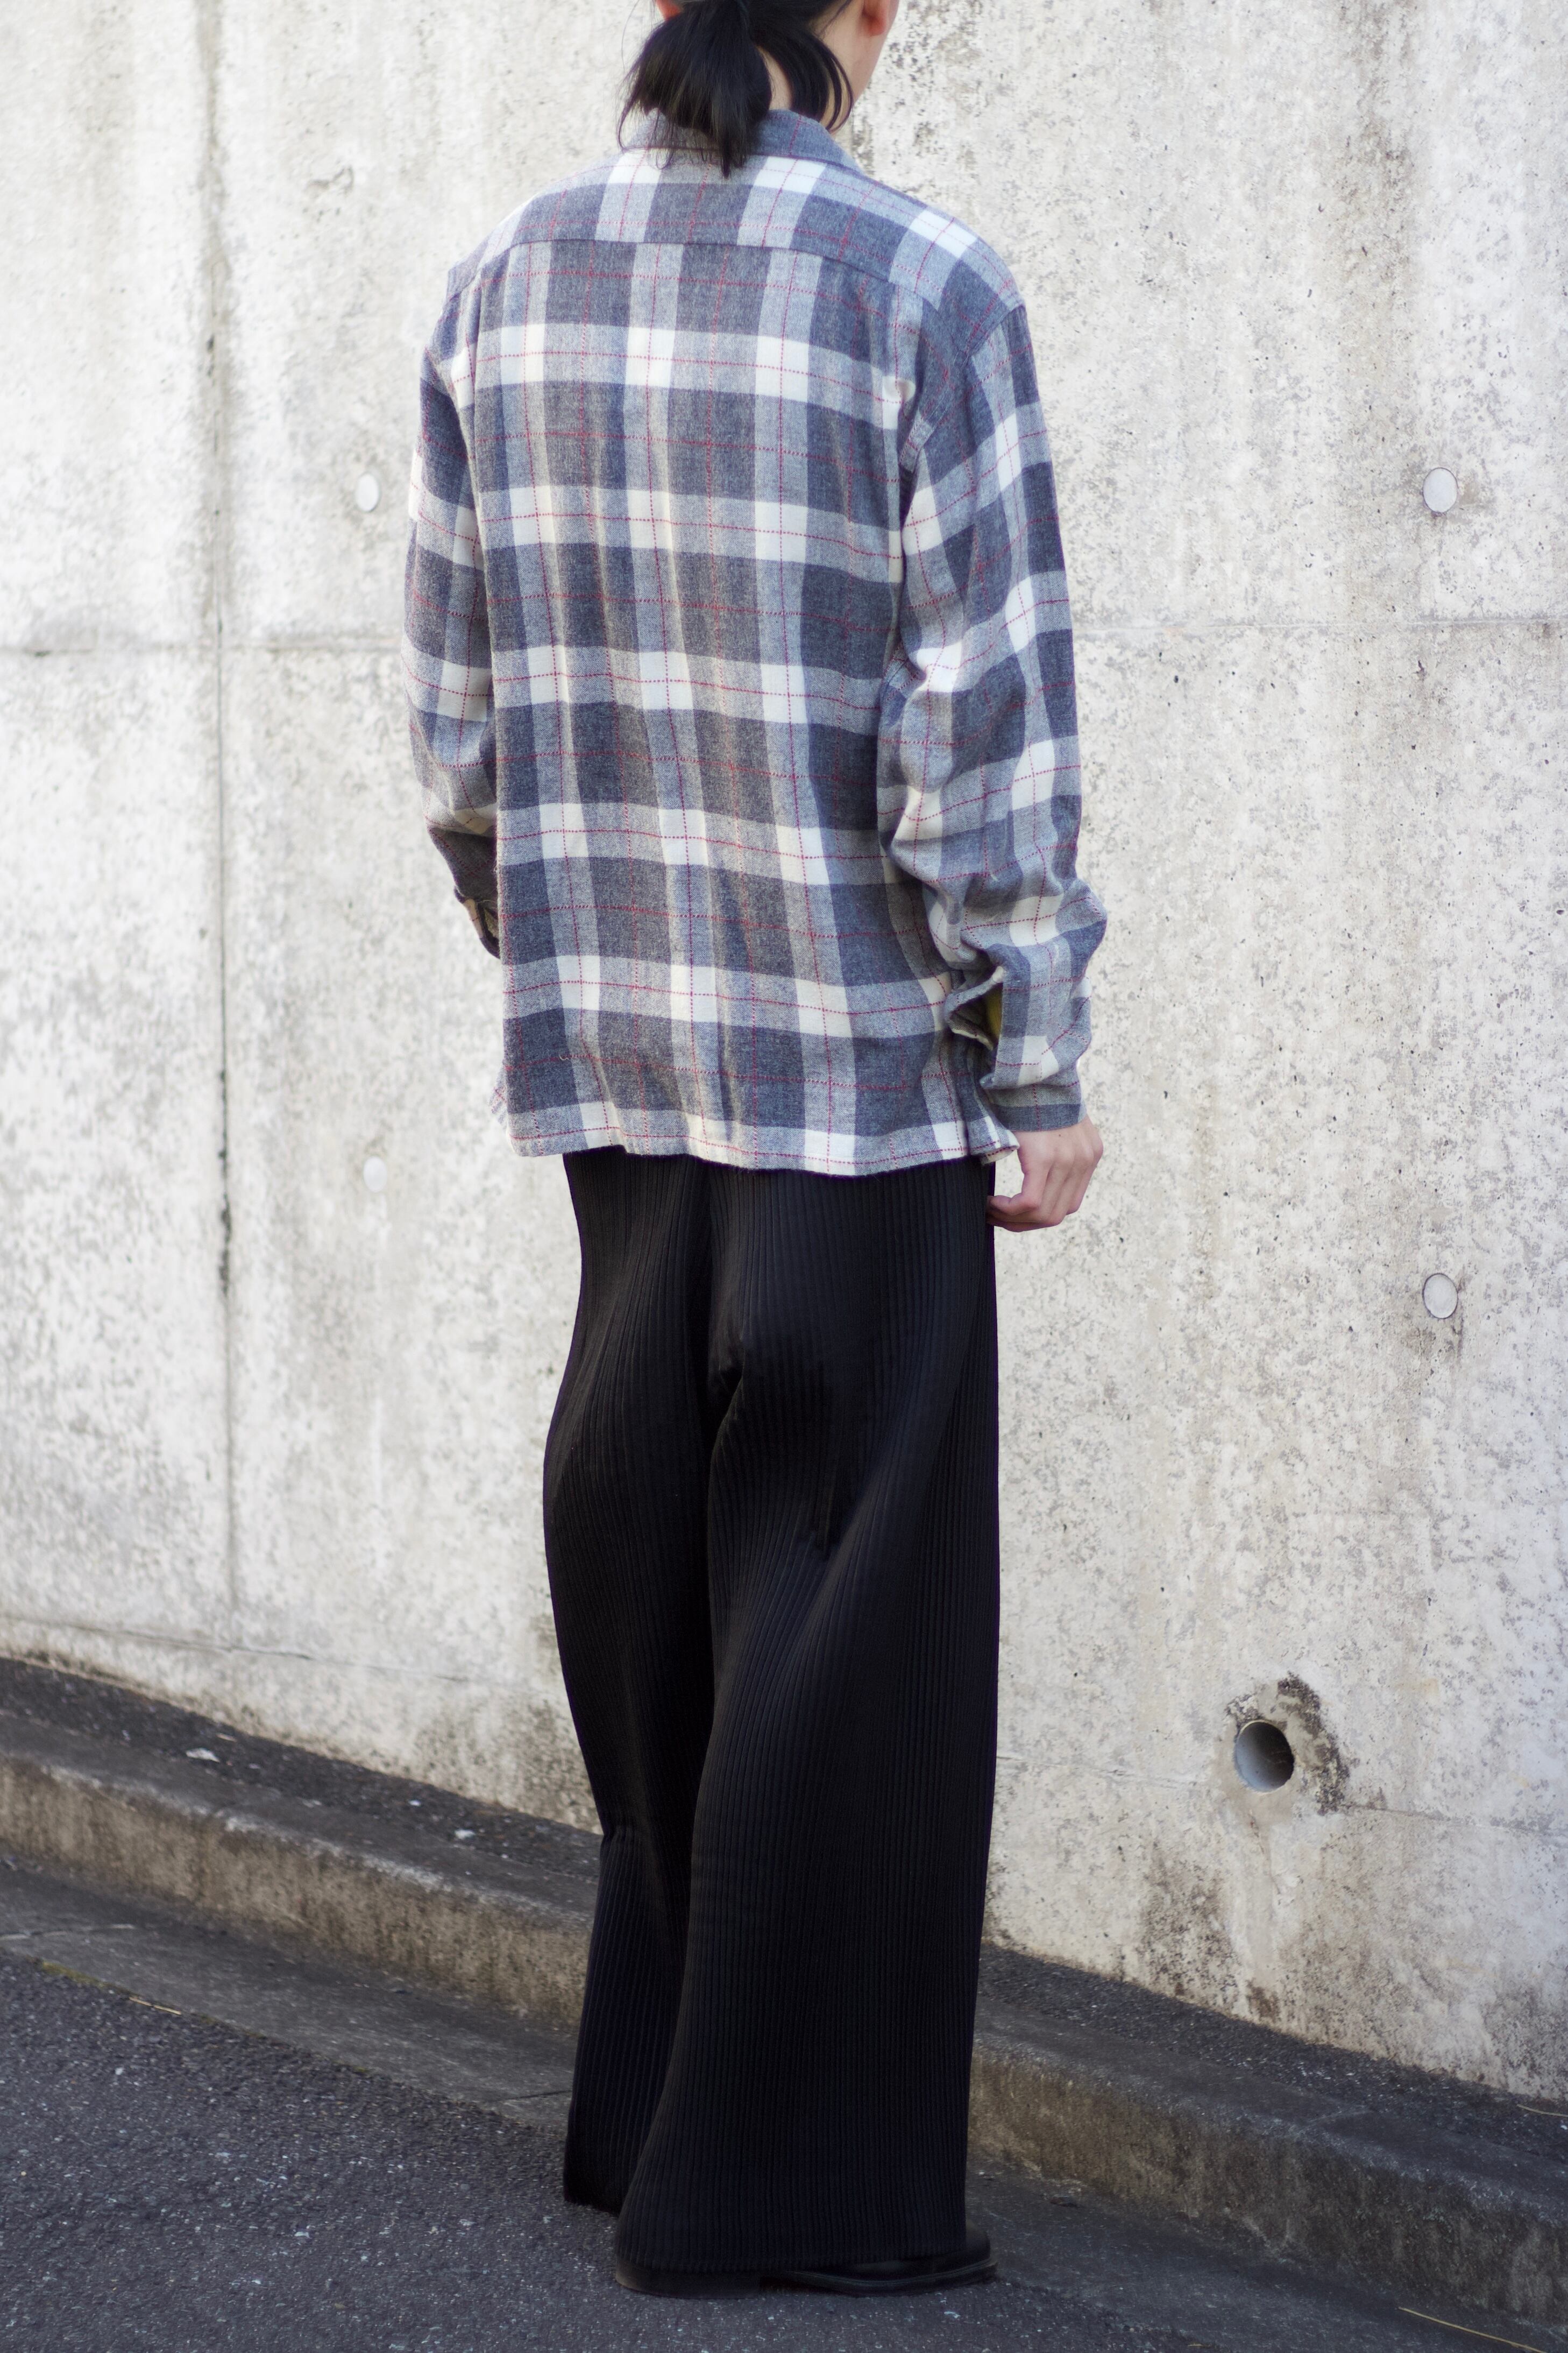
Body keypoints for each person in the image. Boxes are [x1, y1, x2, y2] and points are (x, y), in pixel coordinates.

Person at [404, 0, 1107, 2300]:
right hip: (859, 1081)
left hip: (620, 1062)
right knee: (844, 1643)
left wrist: (555, 926)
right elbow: (978, 745)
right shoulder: (927, 283)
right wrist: (1031, 1063)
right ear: (865, 14)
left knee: (660, 1577)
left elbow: (459, 726)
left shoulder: (504, 278)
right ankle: (776, 2191)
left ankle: (646, 2120)